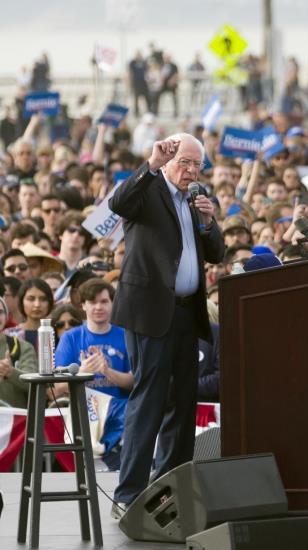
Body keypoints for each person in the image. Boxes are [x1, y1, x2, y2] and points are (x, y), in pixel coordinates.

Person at [109, 134, 224, 515]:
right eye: (185, 163)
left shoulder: (194, 200)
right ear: (169, 160)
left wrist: (208, 223)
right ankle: (128, 494)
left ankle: (169, 489)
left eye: (197, 165)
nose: (191, 172)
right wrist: (151, 163)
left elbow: (216, 252)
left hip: (187, 313)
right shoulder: (149, 189)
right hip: (150, 311)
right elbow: (118, 202)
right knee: (150, 399)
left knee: (183, 402)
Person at [54, 279, 133, 469]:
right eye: (92, 302)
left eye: (104, 301)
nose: (98, 307)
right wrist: (83, 372)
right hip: (85, 416)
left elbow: (133, 382)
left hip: (122, 418)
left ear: (113, 304)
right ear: (83, 305)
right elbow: (59, 386)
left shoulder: (126, 335)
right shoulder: (70, 338)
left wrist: (106, 370)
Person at [0, 294, 38, 408]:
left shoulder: (23, 347)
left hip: (16, 423)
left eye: (0, 312)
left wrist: (11, 372)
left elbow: (34, 385)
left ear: (6, 316)